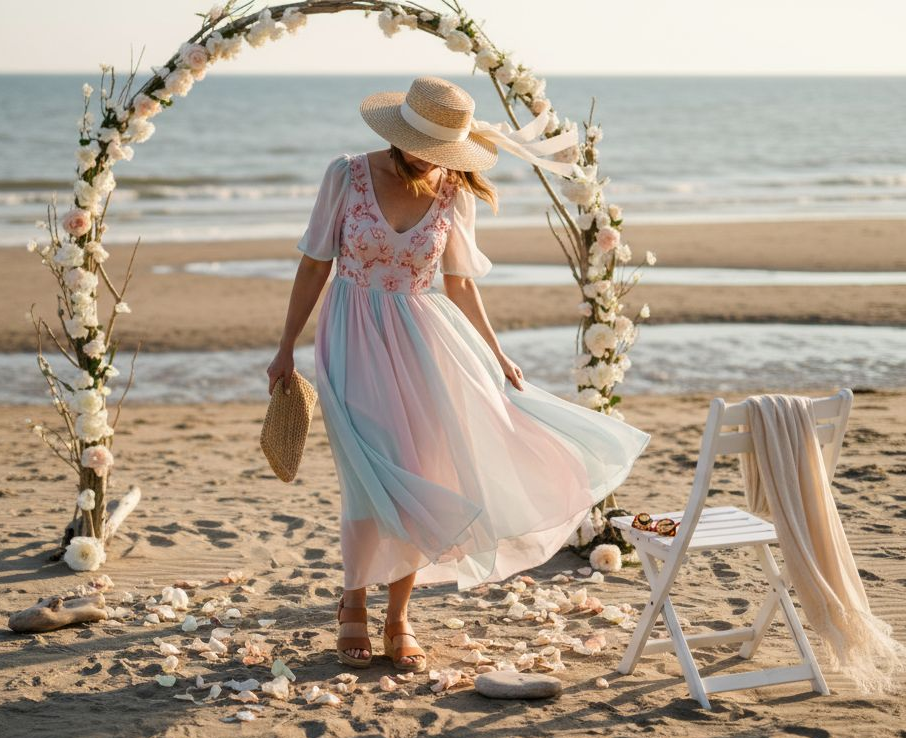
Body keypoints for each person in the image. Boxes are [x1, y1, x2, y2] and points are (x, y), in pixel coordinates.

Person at [266, 76, 650, 672]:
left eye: (441, 149)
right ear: (399, 133)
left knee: (423, 470)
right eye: (422, 145)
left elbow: (460, 284)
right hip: (350, 334)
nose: (430, 159)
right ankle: (353, 601)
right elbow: (315, 264)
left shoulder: (454, 192)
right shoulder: (346, 175)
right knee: (367, 474)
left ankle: (398, 615)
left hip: (425, 339)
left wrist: (497, 353)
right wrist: (286, 346)